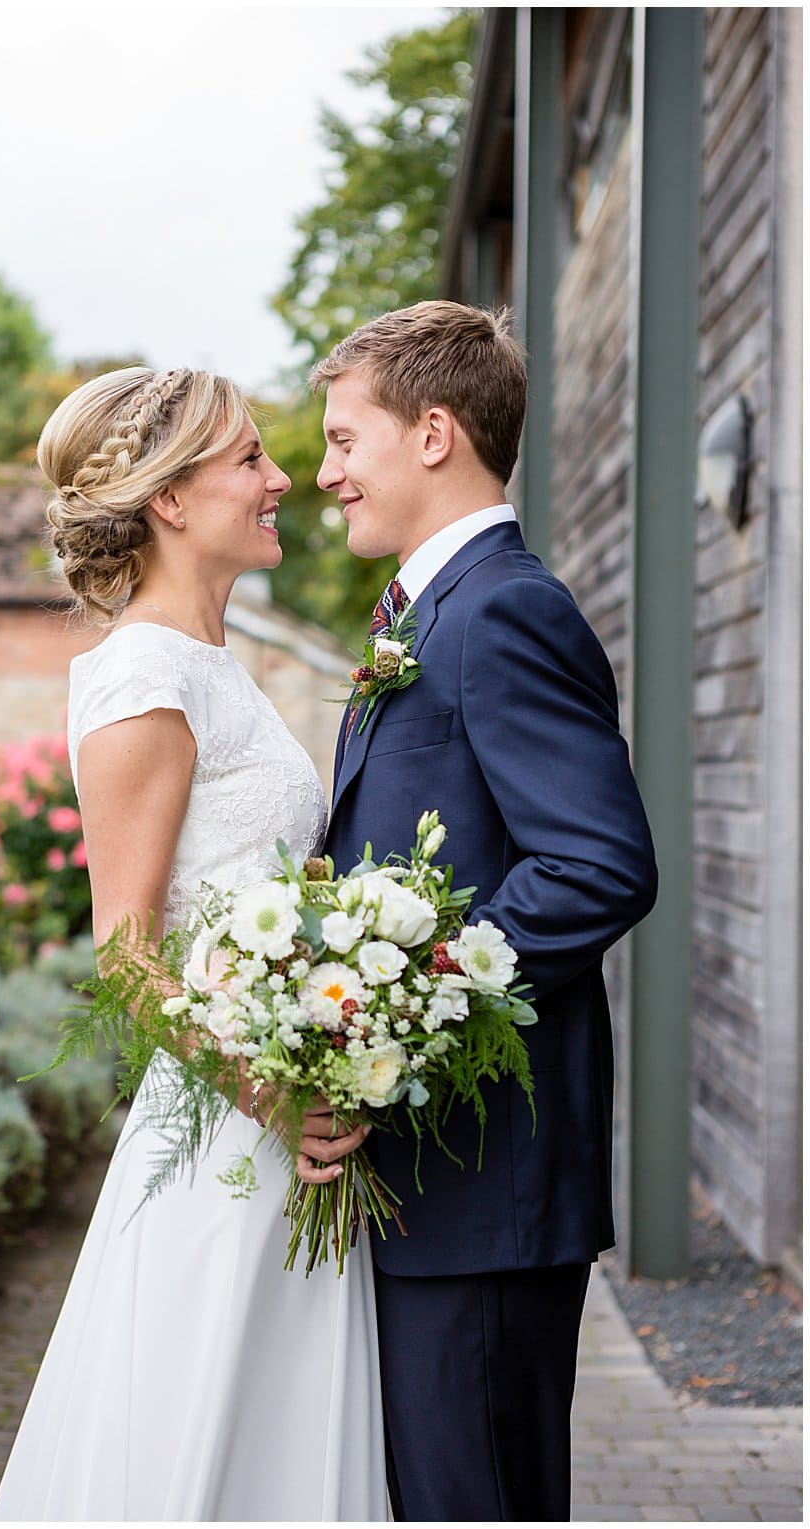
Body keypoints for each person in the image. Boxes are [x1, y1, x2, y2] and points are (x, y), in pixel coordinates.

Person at [0, 366, 387, 1522]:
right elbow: (125, 952)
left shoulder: (219, 665)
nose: (280, 481)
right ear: (169, 498)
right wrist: (272, 1093)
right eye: (251, 459)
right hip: (229, 1123)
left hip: (284, 1101)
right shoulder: (143, 675)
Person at [304, 300, 658, 1522]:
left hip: (485, 1178)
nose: (325, 471)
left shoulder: (504, 608)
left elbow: (598, 861)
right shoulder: (425, 616)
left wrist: (398, 1012)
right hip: (434, 1185)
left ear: (434, 432)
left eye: (346, 440)